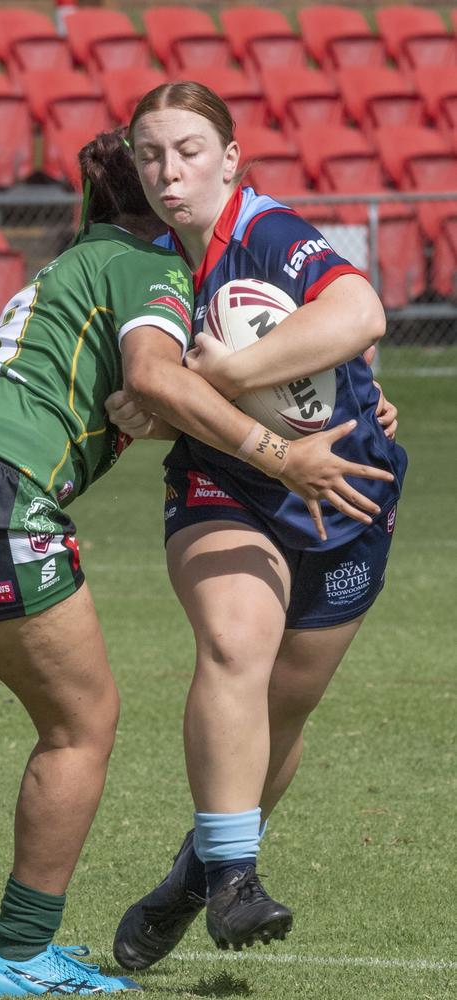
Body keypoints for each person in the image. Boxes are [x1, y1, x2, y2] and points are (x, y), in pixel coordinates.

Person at [0, 131, 391, 998]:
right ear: (155, 206)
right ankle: (20, 955)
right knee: (83, 724)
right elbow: (156, 377)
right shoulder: (148, 267)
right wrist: (279, 454)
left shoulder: (80, 258)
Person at [107, 83, 407, 970]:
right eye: (152, 155)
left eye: (190, 150)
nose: (170, 172)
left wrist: (220, 379)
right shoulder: (150, 263)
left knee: (281, 709)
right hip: (223, 488)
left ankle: (193, 878)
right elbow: (141, 406)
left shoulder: (269, 230)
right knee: (237, 648)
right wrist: (169, 405)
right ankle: (238, 878)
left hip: (349, 498)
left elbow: (362, 315)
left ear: (231, 159)